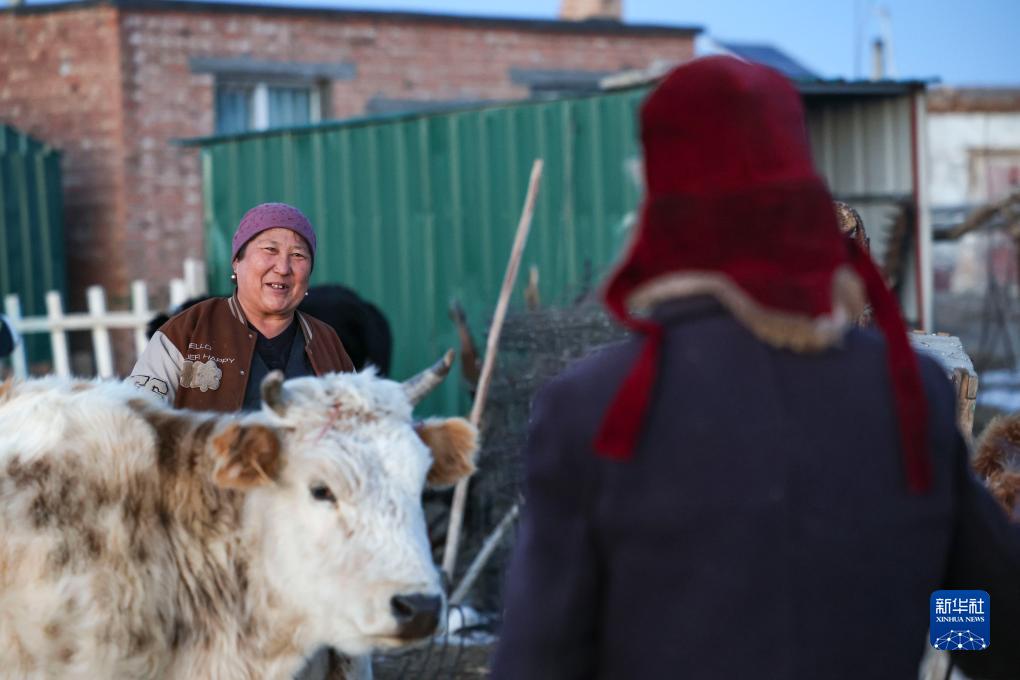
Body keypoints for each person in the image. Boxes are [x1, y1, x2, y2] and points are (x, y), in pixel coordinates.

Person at [492, 57, 1020, 680]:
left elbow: (540, 659)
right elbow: (992, 625)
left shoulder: (594, 409)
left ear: (658, 205)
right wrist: (952, 651)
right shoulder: (907, 392)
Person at [130, 202, 354, 410]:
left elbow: (357, 426)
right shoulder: (186, 332)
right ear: (237, 261)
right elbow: (136, 420)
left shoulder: (327, 343)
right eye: (270, 249)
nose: (283, 268)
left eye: (298, 255)